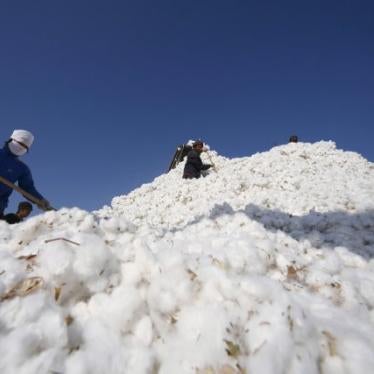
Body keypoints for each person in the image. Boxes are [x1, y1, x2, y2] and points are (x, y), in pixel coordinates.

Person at [0, 130, 50, 219]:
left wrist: (40, 200)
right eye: (20, 143)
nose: (21, 147)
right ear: (11, 140)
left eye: (25, 147)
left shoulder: (22, 168)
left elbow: (27, 188)